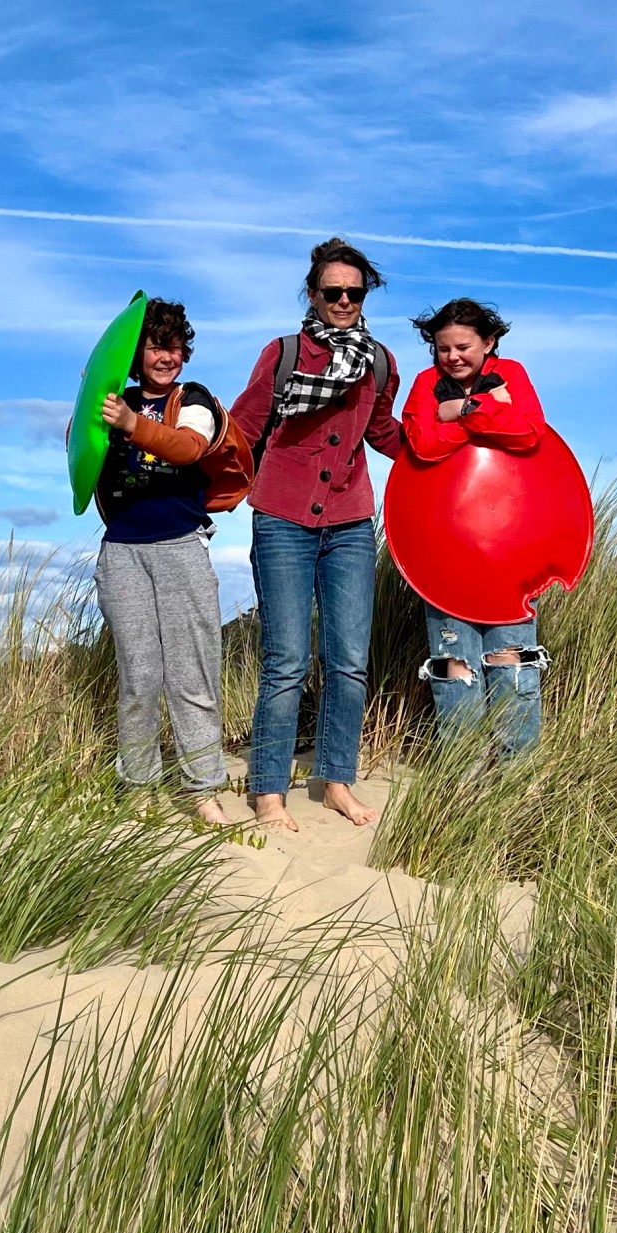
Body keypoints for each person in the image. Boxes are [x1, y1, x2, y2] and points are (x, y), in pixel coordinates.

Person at [228, 239, 401, 832]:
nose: (345, 301)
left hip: (350, 519)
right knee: (287, 660)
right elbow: (243, 427)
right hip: (282, 516)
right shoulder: (282, 354)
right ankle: (268, 790)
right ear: (313, 293)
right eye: (334, 292)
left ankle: (335, 782)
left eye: (355, 292)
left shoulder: (380, 362)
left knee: (349, 659)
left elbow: (383, 433)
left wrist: (451, 445)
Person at [92, 297, 232, 824]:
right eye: (154, 346)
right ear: (137, 354)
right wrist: (91, 395)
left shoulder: (191, 397)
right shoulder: (116, 400)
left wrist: (132, 423)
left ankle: (203, 788)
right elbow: (79, 452)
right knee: (139, 676)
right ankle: (139, 784)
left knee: (192, 674)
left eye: (173, 345)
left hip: (180, 546)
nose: (166, 356)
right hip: (122, 551)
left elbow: (189, 447)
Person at [399, 297, 549, 763]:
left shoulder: (512, 374)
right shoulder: (426, 383)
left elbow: (529, 432)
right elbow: (421, 443)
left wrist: (459, 410)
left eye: (463, 347)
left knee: (512, 662)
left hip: (509, 551)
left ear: (489, 342)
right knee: (453, 665)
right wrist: (487, 413)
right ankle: (462, 775)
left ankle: (515, 775)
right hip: (444, 550)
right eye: (442, 348)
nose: (452, 357)